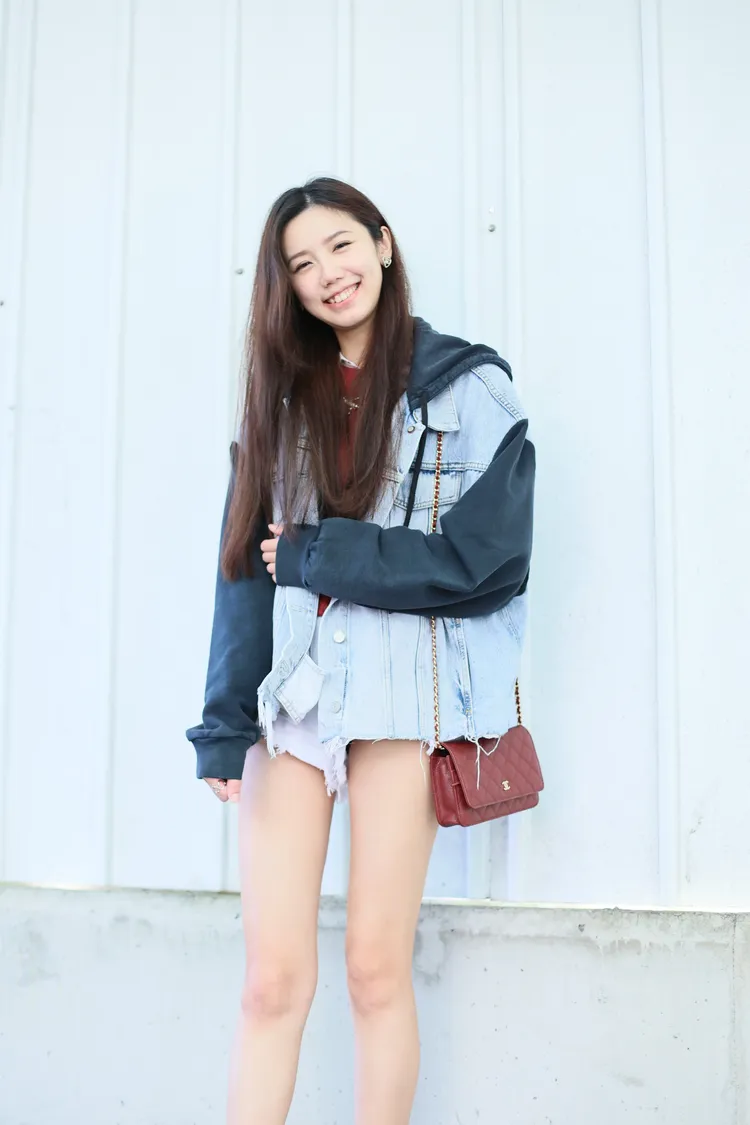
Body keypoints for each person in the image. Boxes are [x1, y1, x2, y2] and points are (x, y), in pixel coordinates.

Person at [186, 177, 535, 1125]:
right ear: (288, 289)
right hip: (294, 702)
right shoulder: (279, 401)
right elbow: (243, 570)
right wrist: (223, 723)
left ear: (382, 243)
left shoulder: (472, 389)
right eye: (301, 264)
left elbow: (488, 564)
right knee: (271, 979)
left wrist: (319, 554)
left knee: (375, 969)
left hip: (401, 702)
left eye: (340, 245)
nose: (327, 273)